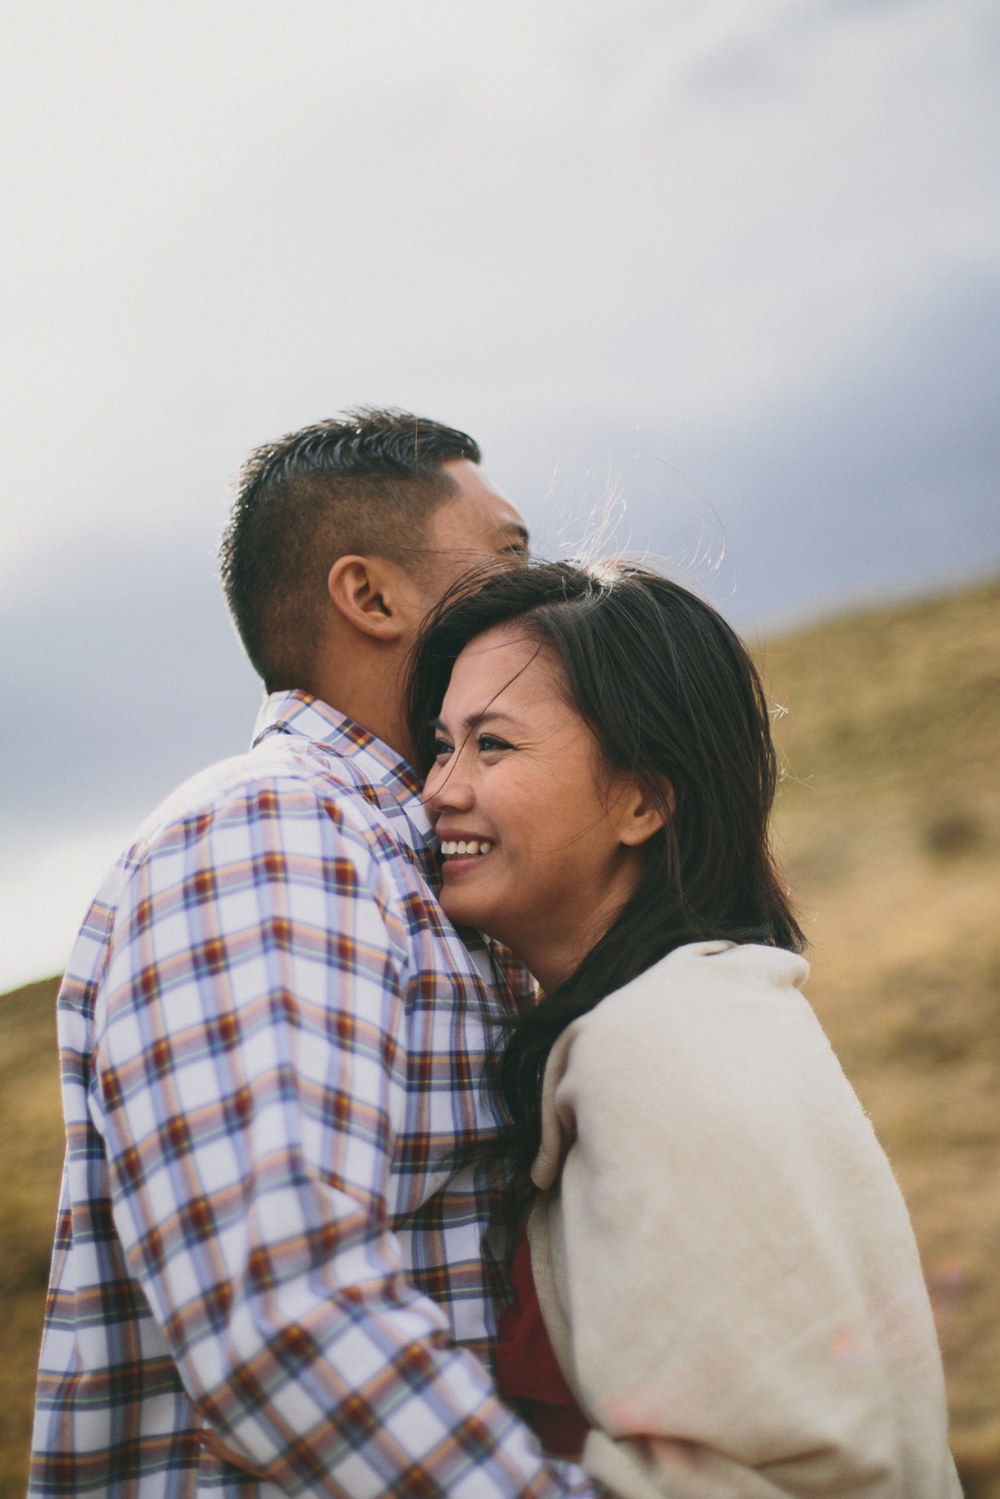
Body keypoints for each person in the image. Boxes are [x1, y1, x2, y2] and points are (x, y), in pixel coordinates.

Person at [30, 411, 604, 1499]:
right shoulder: (275, 830)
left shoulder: (416, 855)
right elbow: (283, 1315)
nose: (551, 601)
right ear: (370, 595)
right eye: (512, 559)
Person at [410, 559, 962, 1499]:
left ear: (644, 799)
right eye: (441, 745)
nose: (438, 791)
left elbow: (771, 1467)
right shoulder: (698, 1015)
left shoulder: (662, 1045)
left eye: (493, 745)